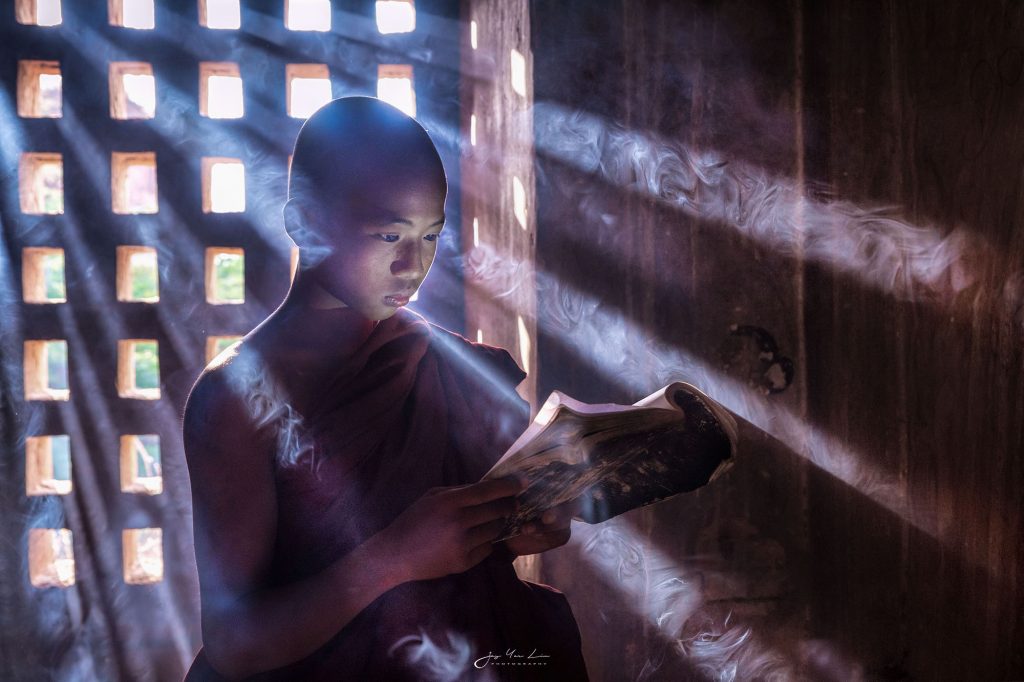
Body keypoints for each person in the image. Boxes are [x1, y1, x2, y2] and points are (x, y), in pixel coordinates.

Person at [181, 97, 589, 681]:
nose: (412, 266)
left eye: (429, 237)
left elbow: (474, 553)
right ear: (303, 225)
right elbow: (234, 643)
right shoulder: (236, 398)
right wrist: (390, 560)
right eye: (388, 234)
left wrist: (517, 526)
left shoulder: (440, 363)